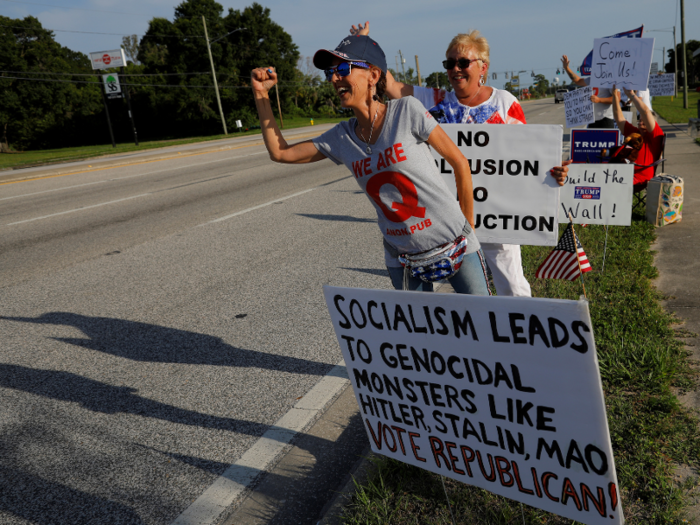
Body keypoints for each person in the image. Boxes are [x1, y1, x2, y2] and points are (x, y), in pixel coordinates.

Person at [250, 35, 490, 295]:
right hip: (404, 258)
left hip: (456, 244)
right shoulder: (341, 137)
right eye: (331, 72)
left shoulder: (406, 111)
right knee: (420, 334)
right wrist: (261, 94)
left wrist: (469, 231)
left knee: (486, 324)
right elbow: (280, 152)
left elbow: (460, 163)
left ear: (373, 76)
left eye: (343, 69)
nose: (334, 78)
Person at [350, 23, 569, 297]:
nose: (455, 69)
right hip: (449, 221)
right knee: (470, 296)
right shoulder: (434, 100)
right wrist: (363, 46)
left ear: (483, 67)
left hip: (498, 216)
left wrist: (555, 170)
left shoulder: (505, 102)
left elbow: (531, 157)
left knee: (513, 288)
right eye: (450, 63)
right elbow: (390, 85)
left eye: (463, 62)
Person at [611, 85, 665, 189]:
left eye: (644, 121)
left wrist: (631, 95)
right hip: (624, 172)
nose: (641, 122)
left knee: (611, 185)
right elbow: (618, 116)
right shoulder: (635, 133)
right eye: (640, 120)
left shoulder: (655, 135)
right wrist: (614, 95)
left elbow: (645, 112)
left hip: (641, 177)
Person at [561, 54, 614, 128]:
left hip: (605, 120)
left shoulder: (610, 80)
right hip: (592, 120)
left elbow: (616, 98)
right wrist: (567, 68)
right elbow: (578, 80)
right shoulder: (592, 79)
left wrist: (599, 100)